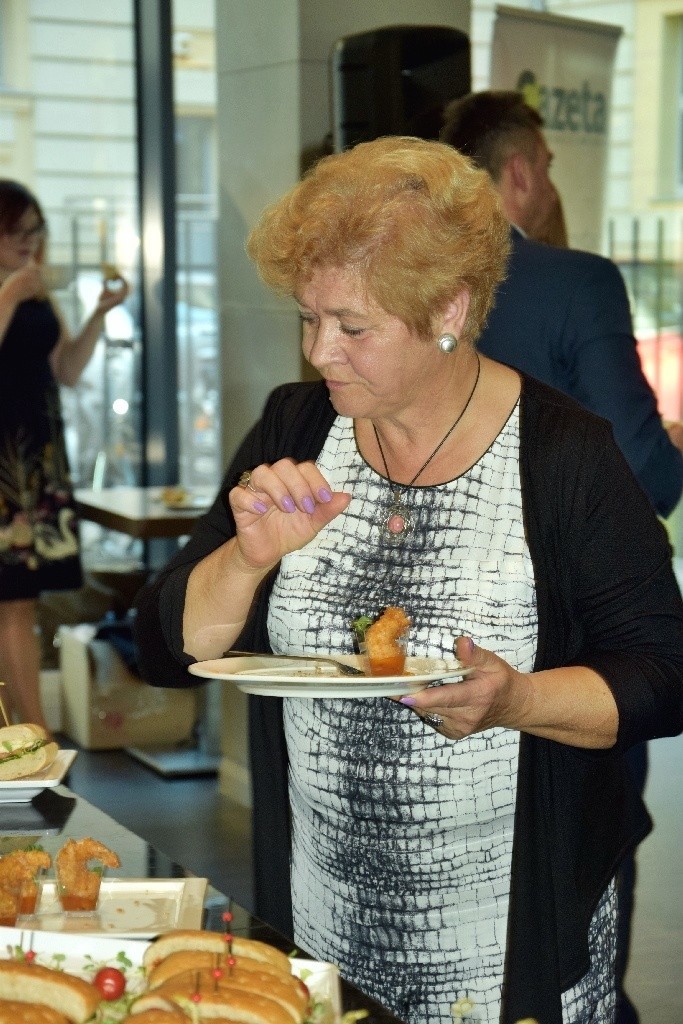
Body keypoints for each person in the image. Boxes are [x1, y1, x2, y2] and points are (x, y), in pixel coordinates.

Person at [132, 137, 683, 1024]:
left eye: (352, 327)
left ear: (449, 309)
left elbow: (664, 676)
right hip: (321, 921)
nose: (320, 352)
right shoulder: (296, 424)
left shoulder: (562, 456)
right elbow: (164, 646)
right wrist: (245, 559)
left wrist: (517, 701)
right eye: (308, 319)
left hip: (513, 941)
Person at [440, 91, 682, 1024]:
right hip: (573, 634)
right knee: (584, 887)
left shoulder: (402, 291)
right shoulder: (575, 281)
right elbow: (642, 475)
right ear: (521, 171)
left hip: (438, 626)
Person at [440, 90, 683, 520]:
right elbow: (636, 464)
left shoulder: (413, 280)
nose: (553, 191)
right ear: (519, 172)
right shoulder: (581, 283)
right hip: (558, 569)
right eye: (546, 166)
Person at [0, 179, 129, 728]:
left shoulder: (36, 291)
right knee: (12, 602)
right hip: (4, 462)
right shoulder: (15, 290)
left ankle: (30, 734)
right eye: (18, 230)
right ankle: (30, 733)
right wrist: (8, 293)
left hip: (37, 460)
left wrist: (100, 313)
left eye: (36, 229)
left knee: (21, 603)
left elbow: (68, 370)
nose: (31, 240)